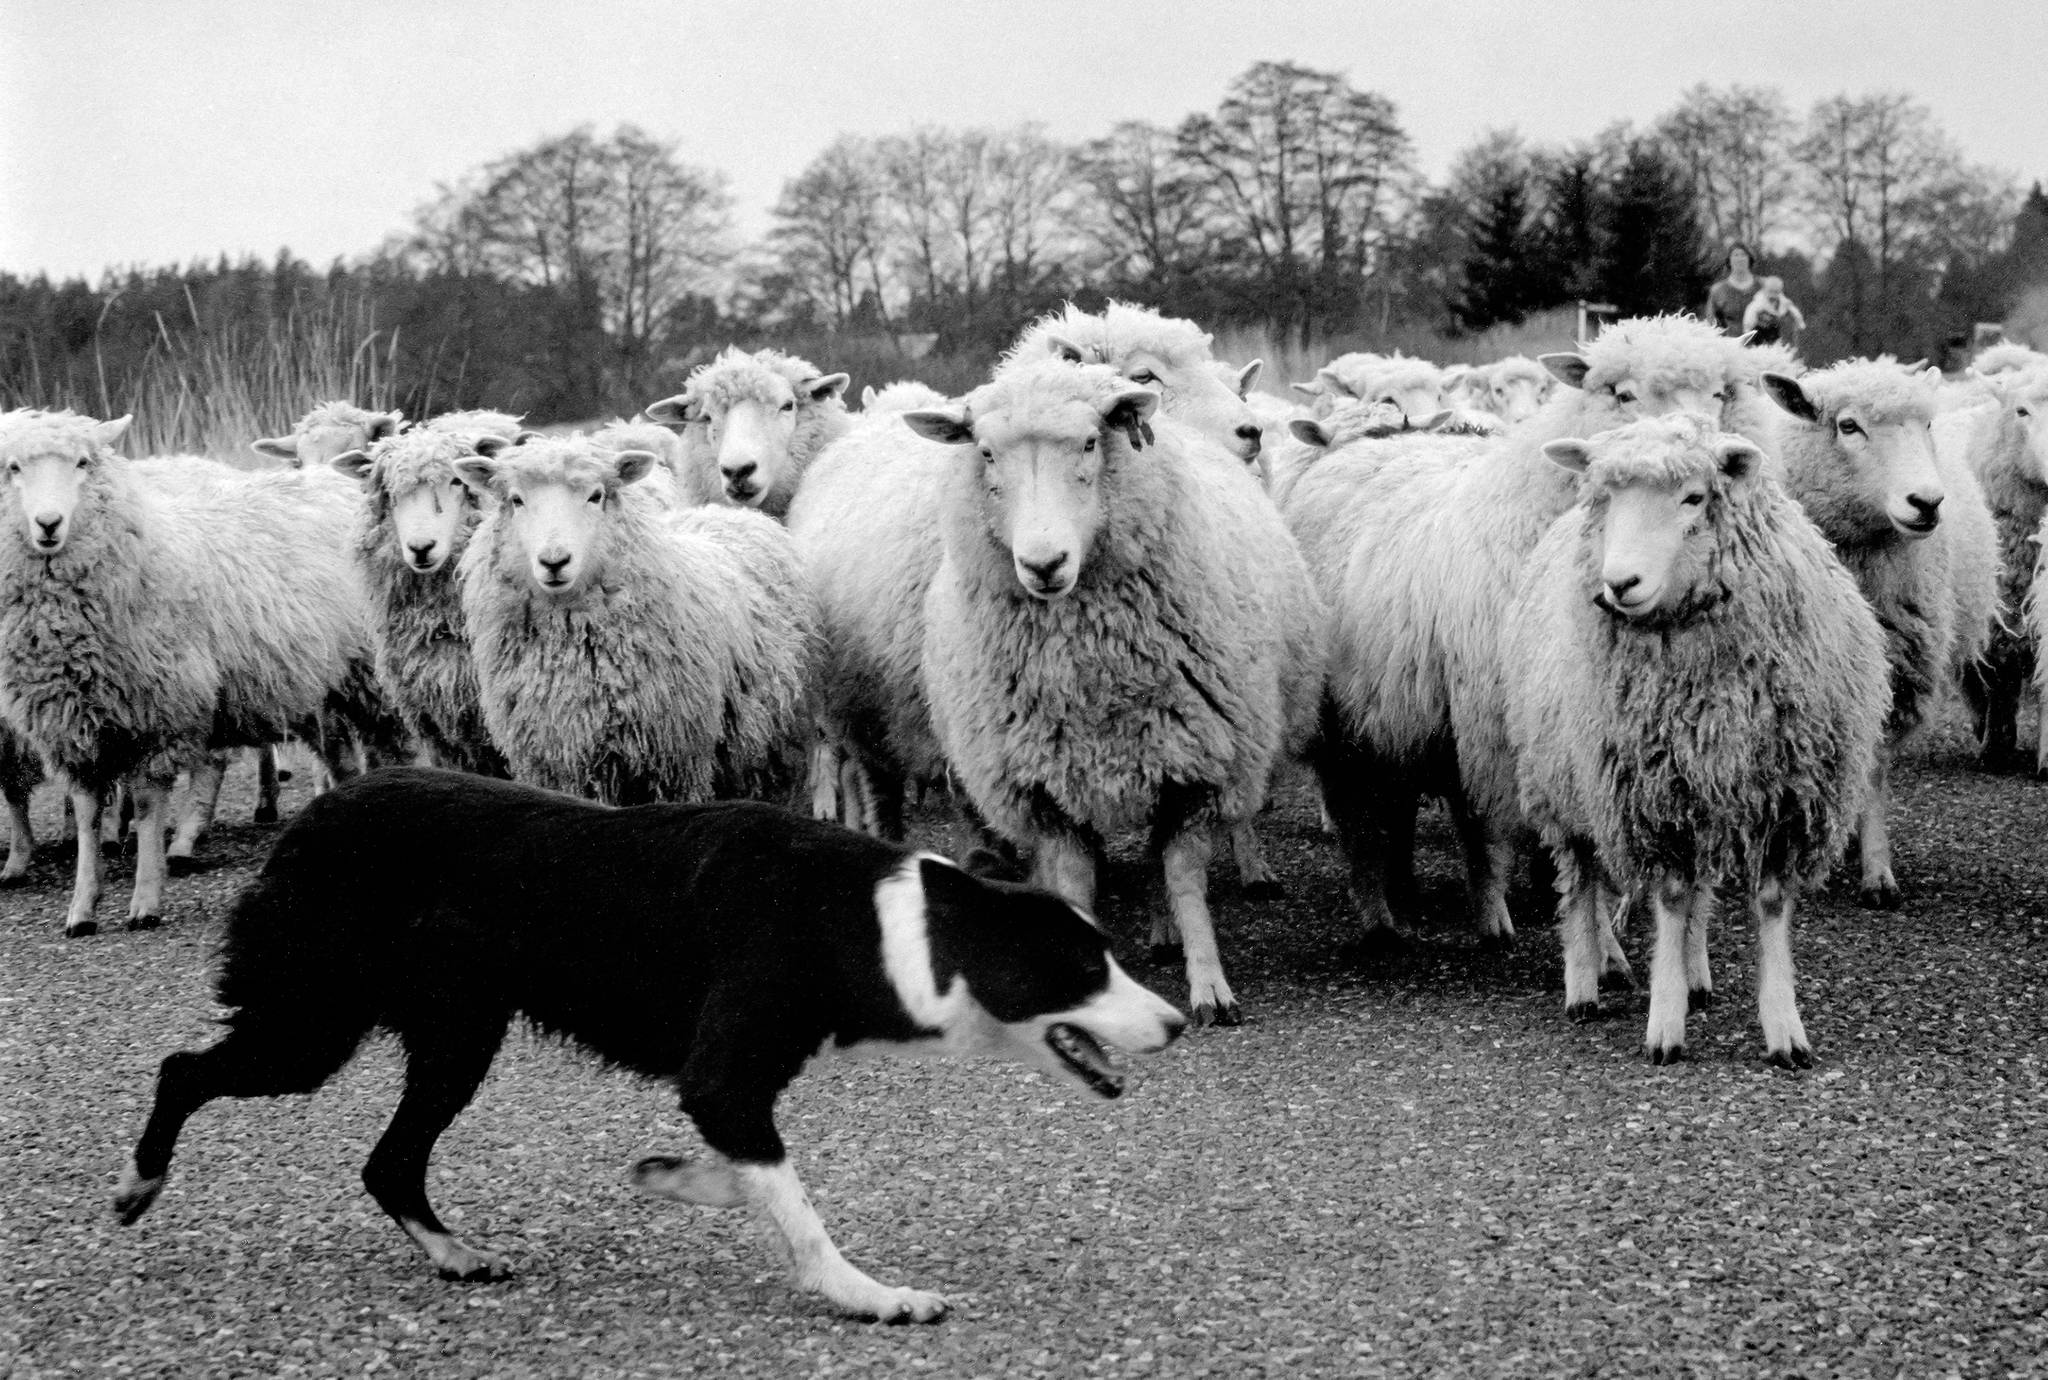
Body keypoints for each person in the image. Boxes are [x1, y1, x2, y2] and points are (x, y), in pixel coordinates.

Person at [1706, 243, 1759, 336]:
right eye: (1736, 255)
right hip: (1729, 344)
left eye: (1743, 255)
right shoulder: (1718, 290)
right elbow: (1711, 323)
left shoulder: (1763, 285)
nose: (1740, 259)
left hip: (1761, 345)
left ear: (1750, 259)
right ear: (1729, 260)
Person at [1742, 276, 1806, 349]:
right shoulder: (1758, 303)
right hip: (1760, 332)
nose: (1773, 295)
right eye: (1770, 291)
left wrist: (1800, 323)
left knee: (1780, 329)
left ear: (1780, 291)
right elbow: (1749, 317)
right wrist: (1747, 331)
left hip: (1775, 331)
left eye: (1776, 292)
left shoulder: (1784, 302)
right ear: (1764, 290)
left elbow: (1794, 312)